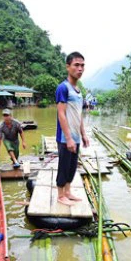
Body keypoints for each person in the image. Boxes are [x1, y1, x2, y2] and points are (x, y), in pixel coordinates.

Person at [55, 52, 89, 205]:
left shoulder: (79, 91)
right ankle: (60, 195)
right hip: (65, 137)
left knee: (72, 166)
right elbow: (61, 114)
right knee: (63, 166)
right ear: (68, 67)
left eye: (82, 65)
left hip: (75, 136)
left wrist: (83, 134)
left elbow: (79, 114)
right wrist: (68, 138)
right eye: (76, 65)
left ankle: (68, 191)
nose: (80, 69)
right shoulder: (63, 88)